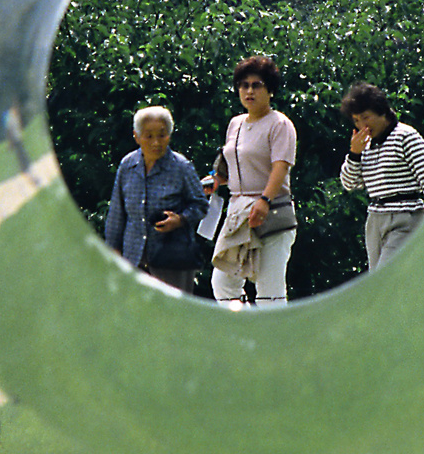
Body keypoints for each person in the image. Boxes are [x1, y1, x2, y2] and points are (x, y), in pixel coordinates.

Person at [210, 56, 298, 306]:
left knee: (269, 288)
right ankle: (245, 334)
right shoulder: (235, 123)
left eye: (256, 85)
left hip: (271, 213)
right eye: (243, 85)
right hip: (239, 214)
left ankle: (276, 343)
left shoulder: (280, 124)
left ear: (270, 90)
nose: (249, 91)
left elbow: (280, 166)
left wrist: (265, 200)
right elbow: (233, 163)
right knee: (223, 284)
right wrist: (217, 181)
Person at [104, 105, 209, 293]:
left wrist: (180, 219)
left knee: (172, 317)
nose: (156, 142)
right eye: (148, 136)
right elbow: (117, 213)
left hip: (171, 259)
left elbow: (200, 205)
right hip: (133, 258)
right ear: (136, 137)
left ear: (169, 135)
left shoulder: (182, 167)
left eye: (162, 135)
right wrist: (113, 250)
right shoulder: (128, 166)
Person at [339, 82, 424, 270]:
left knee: (385, 280)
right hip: (375, 220)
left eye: (366, 118)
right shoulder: (366, 145)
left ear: (382, 113)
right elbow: (349, 184)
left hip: (404, 218)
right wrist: (354, 153)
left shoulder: (406, 136)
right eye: (356, 120)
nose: (362, 125)